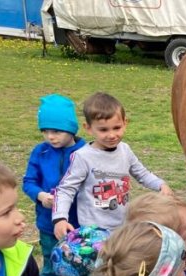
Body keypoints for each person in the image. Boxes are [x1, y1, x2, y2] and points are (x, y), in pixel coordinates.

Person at [52, 92, 173, 240]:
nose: (111, 135)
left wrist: (161, 184)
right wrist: (60, 218)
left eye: (116, 128)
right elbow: (65, 190)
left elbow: (142, 173)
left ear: (125, 123)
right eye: (103, 130)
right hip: (94, 231)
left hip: (123, 227)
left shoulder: (125, 150)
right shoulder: (82, 157)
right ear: (88, 128)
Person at [22, 94, 86, 276]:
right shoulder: (40, 152)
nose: (50, 136)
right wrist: (40, 196)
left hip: (79, 226)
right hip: (49, 225)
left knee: (80, 270)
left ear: (71, 128)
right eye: (45, 131)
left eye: (57, 130)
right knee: (50, 269)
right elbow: (28, 181)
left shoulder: (85, 152)